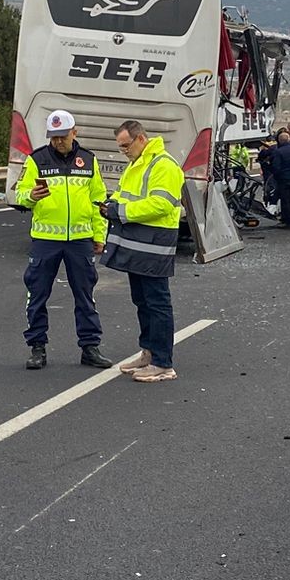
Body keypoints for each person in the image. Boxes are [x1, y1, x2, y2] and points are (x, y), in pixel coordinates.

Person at [15, 109, 112, 371]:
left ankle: (90, 347)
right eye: (54, 137)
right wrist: (31, 196)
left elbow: (98, 202)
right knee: (37, 294)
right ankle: (37, 347)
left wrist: (99, 235)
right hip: (46, 239)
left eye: (63, 136)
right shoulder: (37, 160)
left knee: (85, 294)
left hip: (80, 240)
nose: (58, 141)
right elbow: (20, 194)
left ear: (74, 132)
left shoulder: (88, 160)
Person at [103, 118, 184, 383]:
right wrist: (109, 204)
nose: (123, 151)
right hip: (137, 244)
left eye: (126, 145)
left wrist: (121, 212)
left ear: (141, 139)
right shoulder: (136, 164)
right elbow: (124, 194)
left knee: (157, 302)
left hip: (155, 244)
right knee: (142, 300)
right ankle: (148, 352)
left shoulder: (164, 165)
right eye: (120, 147)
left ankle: (163, 362)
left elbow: (162, 204)